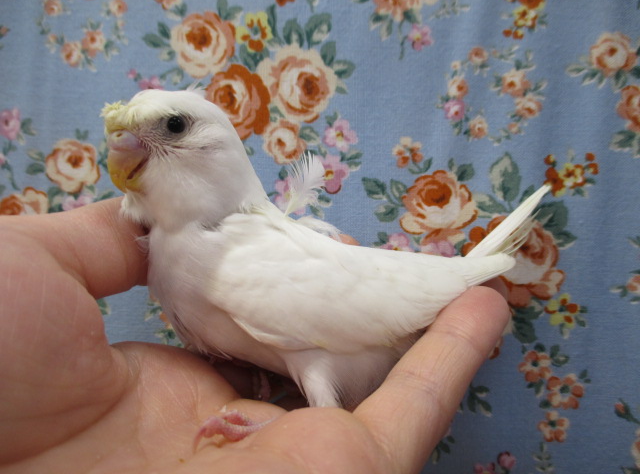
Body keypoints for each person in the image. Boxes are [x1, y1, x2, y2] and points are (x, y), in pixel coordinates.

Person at [0, 198, 510, 474]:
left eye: (173, 128)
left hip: (355, 346)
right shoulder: (177, 245)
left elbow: (328, 402)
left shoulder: (241, 263)